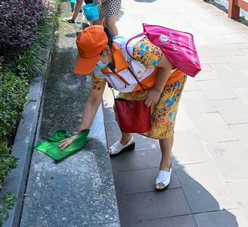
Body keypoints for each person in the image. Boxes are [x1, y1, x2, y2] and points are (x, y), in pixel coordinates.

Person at [59, 25, 187, 191]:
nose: (92, 66)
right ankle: (126, 141)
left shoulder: (137, 49)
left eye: (92, 60)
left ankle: (165, 163)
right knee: (121, 107)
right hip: (142, 80)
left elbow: (167, 63)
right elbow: (93, 99)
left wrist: (156, 90)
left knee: (163, 119)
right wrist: (81, 134)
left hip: (169, 77)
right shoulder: (100, 68)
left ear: (105, 51)